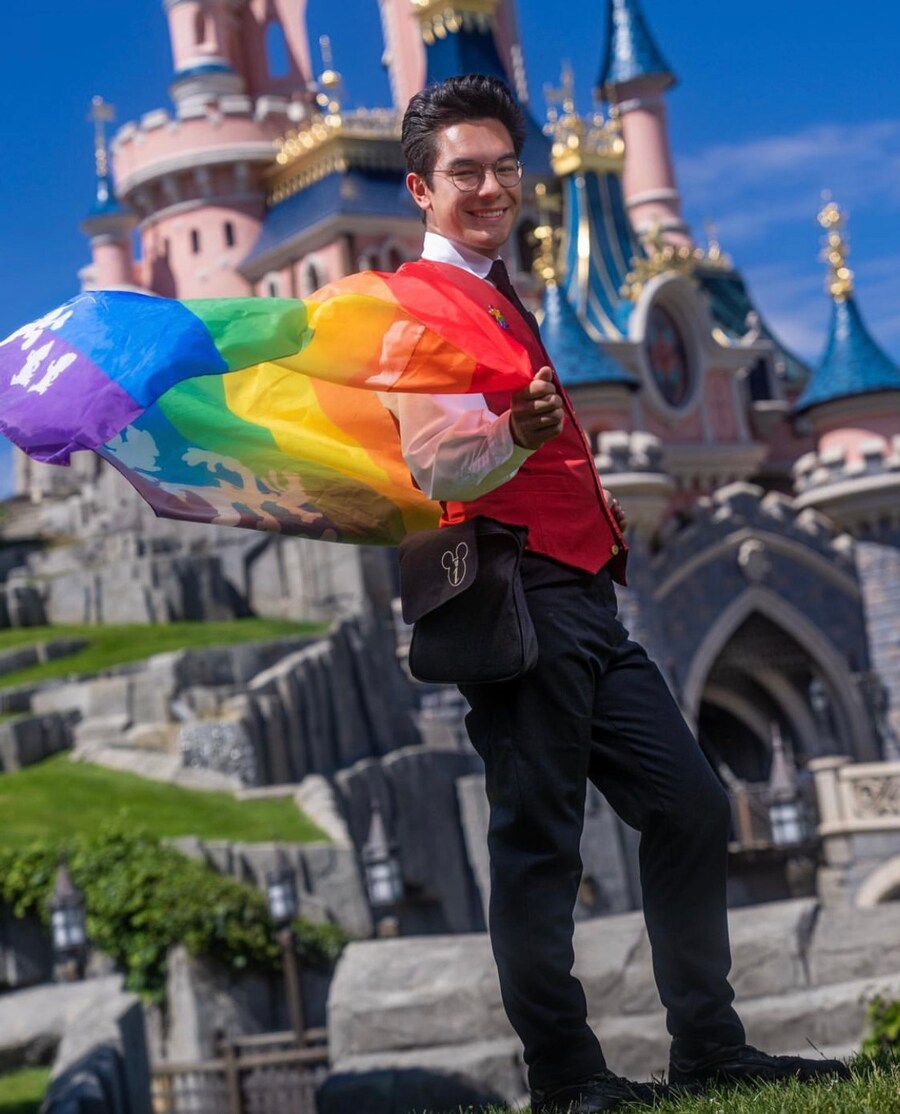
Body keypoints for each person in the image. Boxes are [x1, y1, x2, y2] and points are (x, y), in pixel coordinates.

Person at [383, 73, 849, 1114]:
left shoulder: (503, 293)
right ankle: (565, 1076)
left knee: (689, 804)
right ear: (421, 189)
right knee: (539, 840)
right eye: (466, 172)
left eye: (506, 168)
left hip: (589, 599)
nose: (493, 188)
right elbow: (432, 458)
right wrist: (514, 433)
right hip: (516, 596)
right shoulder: (419, 305)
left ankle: (710, 1048)